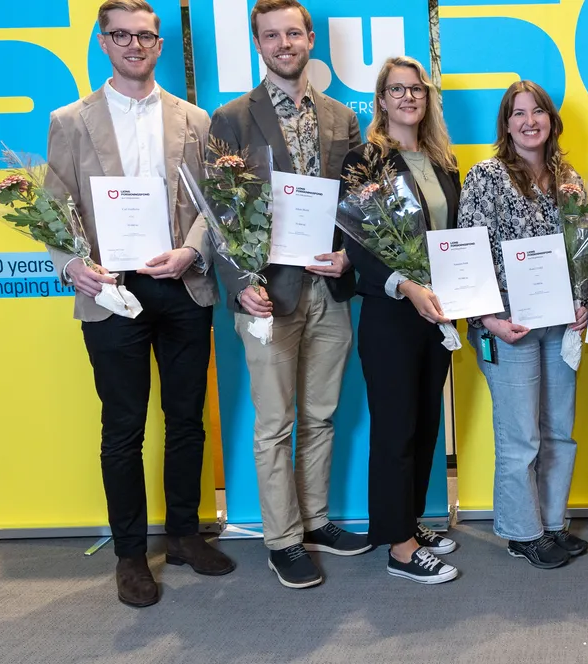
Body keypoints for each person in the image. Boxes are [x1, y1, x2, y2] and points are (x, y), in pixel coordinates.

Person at [43, 0, 234, 608]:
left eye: (144, 35)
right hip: (111, 293)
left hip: (182, 285)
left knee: (186, 421)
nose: (134, 44)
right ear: (103, 42)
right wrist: (73, 266)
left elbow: (213, 206)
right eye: (121, 35)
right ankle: (130, 553)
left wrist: (191, 252)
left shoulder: (195, 119)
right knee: (122, 428)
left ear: (159, 43)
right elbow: (54, 211)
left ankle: (182, 534)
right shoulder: (70, 120)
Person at [208, 0, 368, 590]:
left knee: (322, 415)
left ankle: (317, 518)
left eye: (293, 33)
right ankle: (282, 538)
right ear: (258, 43)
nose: (284, 43)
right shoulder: (231, 118)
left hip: (329, 288)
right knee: (275, 422)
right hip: (266, 295)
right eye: (271, 35)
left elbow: (357, 202)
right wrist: (240, 285)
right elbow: (219, 211)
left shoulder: (338, 117)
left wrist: (351, 254)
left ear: (309, 38)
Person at [457, 81, 588, 569]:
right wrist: (487, 319)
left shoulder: (568, 178)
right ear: (506, 123)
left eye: (538, 112)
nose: (529, 121)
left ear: (551, 121)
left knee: (559, 430)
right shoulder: (485, 177)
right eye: (519, 113)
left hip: (559, 323)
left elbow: (584, 250)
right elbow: (469, 254)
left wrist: (584, 302)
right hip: (507, 324)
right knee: (520, 436)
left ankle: (552, 523)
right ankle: (522, 531)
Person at [342, 56, 460, 585]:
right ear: (381, 100)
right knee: (394, 427)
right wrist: (405, 285)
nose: (408, 97)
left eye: (416, 89)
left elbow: (453, 238)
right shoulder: (364, 160)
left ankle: (407, 521)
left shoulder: (443, 163)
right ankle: (400, 546)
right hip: (391, 311)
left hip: (437, 314)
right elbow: (356, 243)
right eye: (397, 90)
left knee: (424, 424)